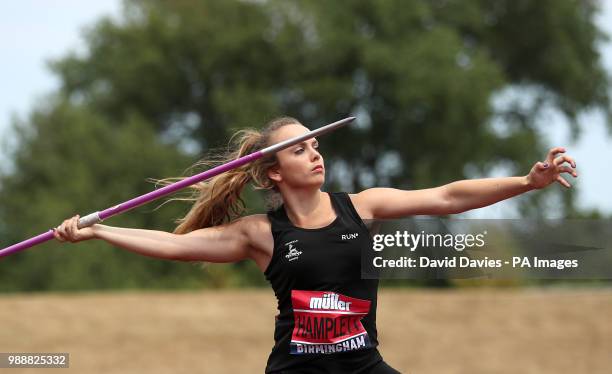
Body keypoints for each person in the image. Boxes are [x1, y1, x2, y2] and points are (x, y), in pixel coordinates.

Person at [53, 116, 578, 373]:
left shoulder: (362, 207)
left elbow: (446, 196)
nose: (314, 155)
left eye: (316, 145)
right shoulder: (258, 233)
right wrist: (97, 229)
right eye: (299, 149)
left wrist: (525, 183)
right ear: (272, 174)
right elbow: (171, 246)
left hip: (363, 366)